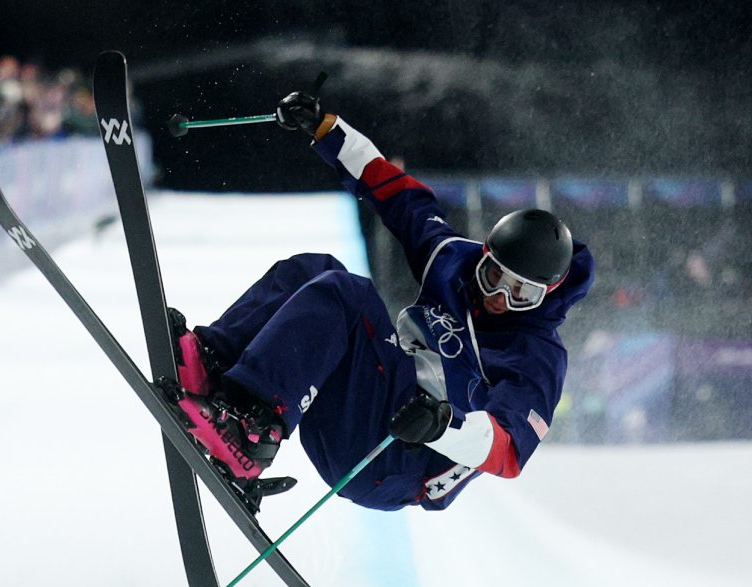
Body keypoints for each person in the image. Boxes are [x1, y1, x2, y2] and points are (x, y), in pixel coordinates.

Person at [168, 90, 595, 512]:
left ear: (546, 294)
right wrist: (326, 129)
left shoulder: (538, 355)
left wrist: (443, 425)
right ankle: (212, 371)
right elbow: (400, 196)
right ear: (484, 255)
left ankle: (253, 435)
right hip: (368, 403)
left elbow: (508, 451)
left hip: (401, 459)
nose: (499, 297)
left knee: (349, 295)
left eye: (521, 293)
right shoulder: (452, 261)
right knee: (316, 270)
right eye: (494, 275)